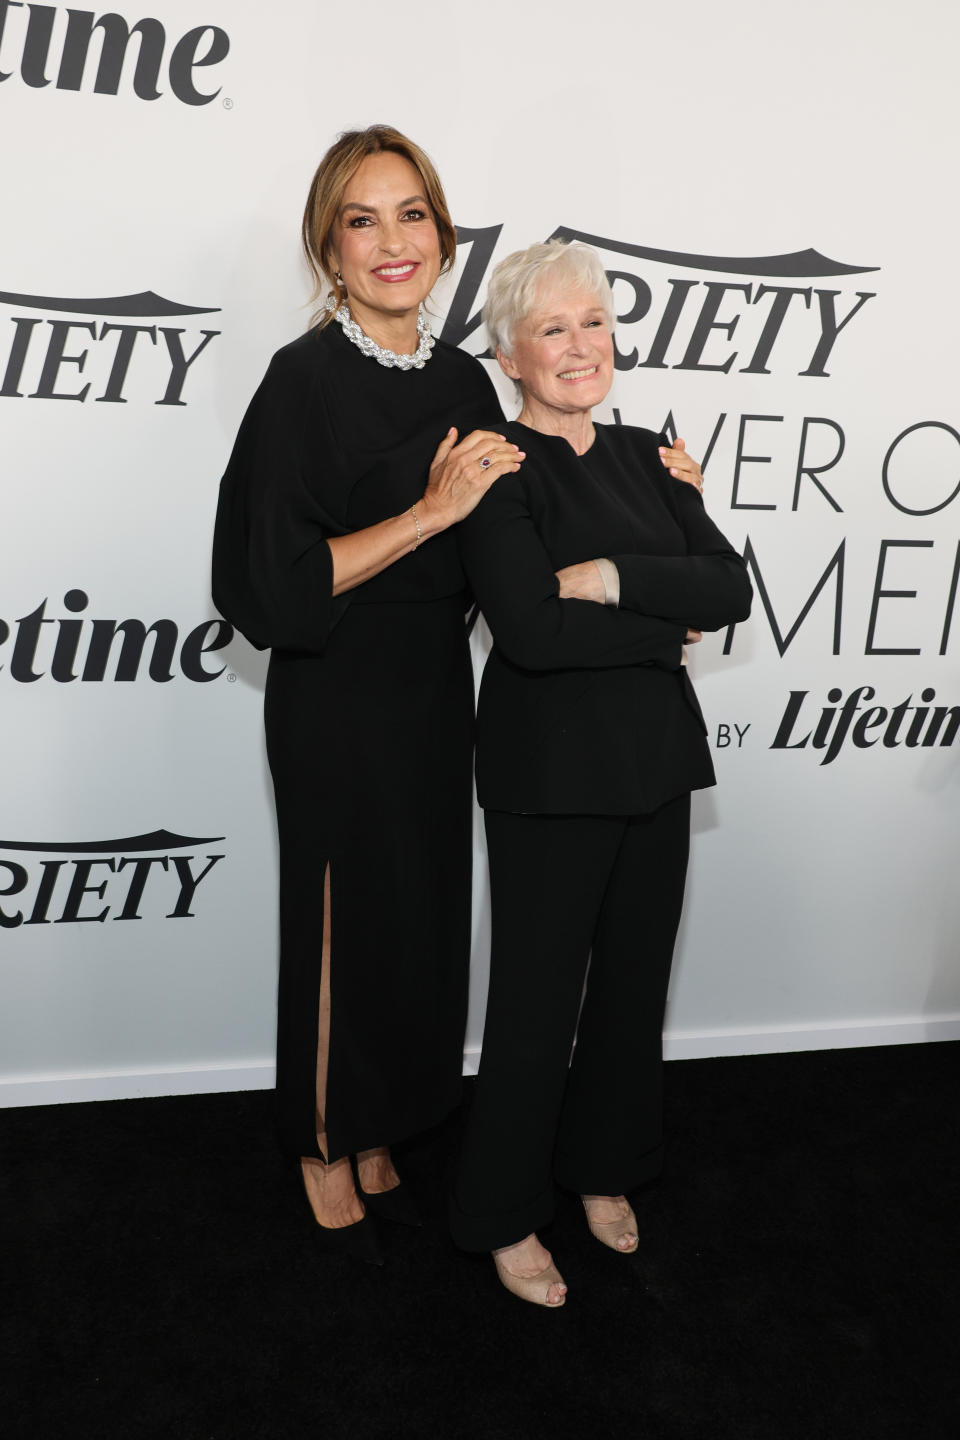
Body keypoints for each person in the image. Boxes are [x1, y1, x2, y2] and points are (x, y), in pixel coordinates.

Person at [211, 126, 525, 1263]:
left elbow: (515, 540)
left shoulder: (465, 378)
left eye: (412, 215)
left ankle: (387, 1112)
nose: (393, 241)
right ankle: (323, 1136)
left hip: (437, 687)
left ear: (443, 237)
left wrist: (651, 516)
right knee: (344, 919)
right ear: (329, 251)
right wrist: (427, 518)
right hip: (336, 688)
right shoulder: (300, 382)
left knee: (421, 915)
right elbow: (270, 586)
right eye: (362, 219)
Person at [450, 240, 753, 1305]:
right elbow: (529, 631)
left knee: (631, 993)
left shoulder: (646, 454)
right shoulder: (494, 466)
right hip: (547, 777)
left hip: (655, 766)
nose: (581, 348)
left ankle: (604, 1169)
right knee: (535, 1008)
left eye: (593, 324)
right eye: (553, 330)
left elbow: (728, 588)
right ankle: (500, 1211)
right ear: (509, 354)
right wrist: (655, 620)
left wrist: (616, 577)